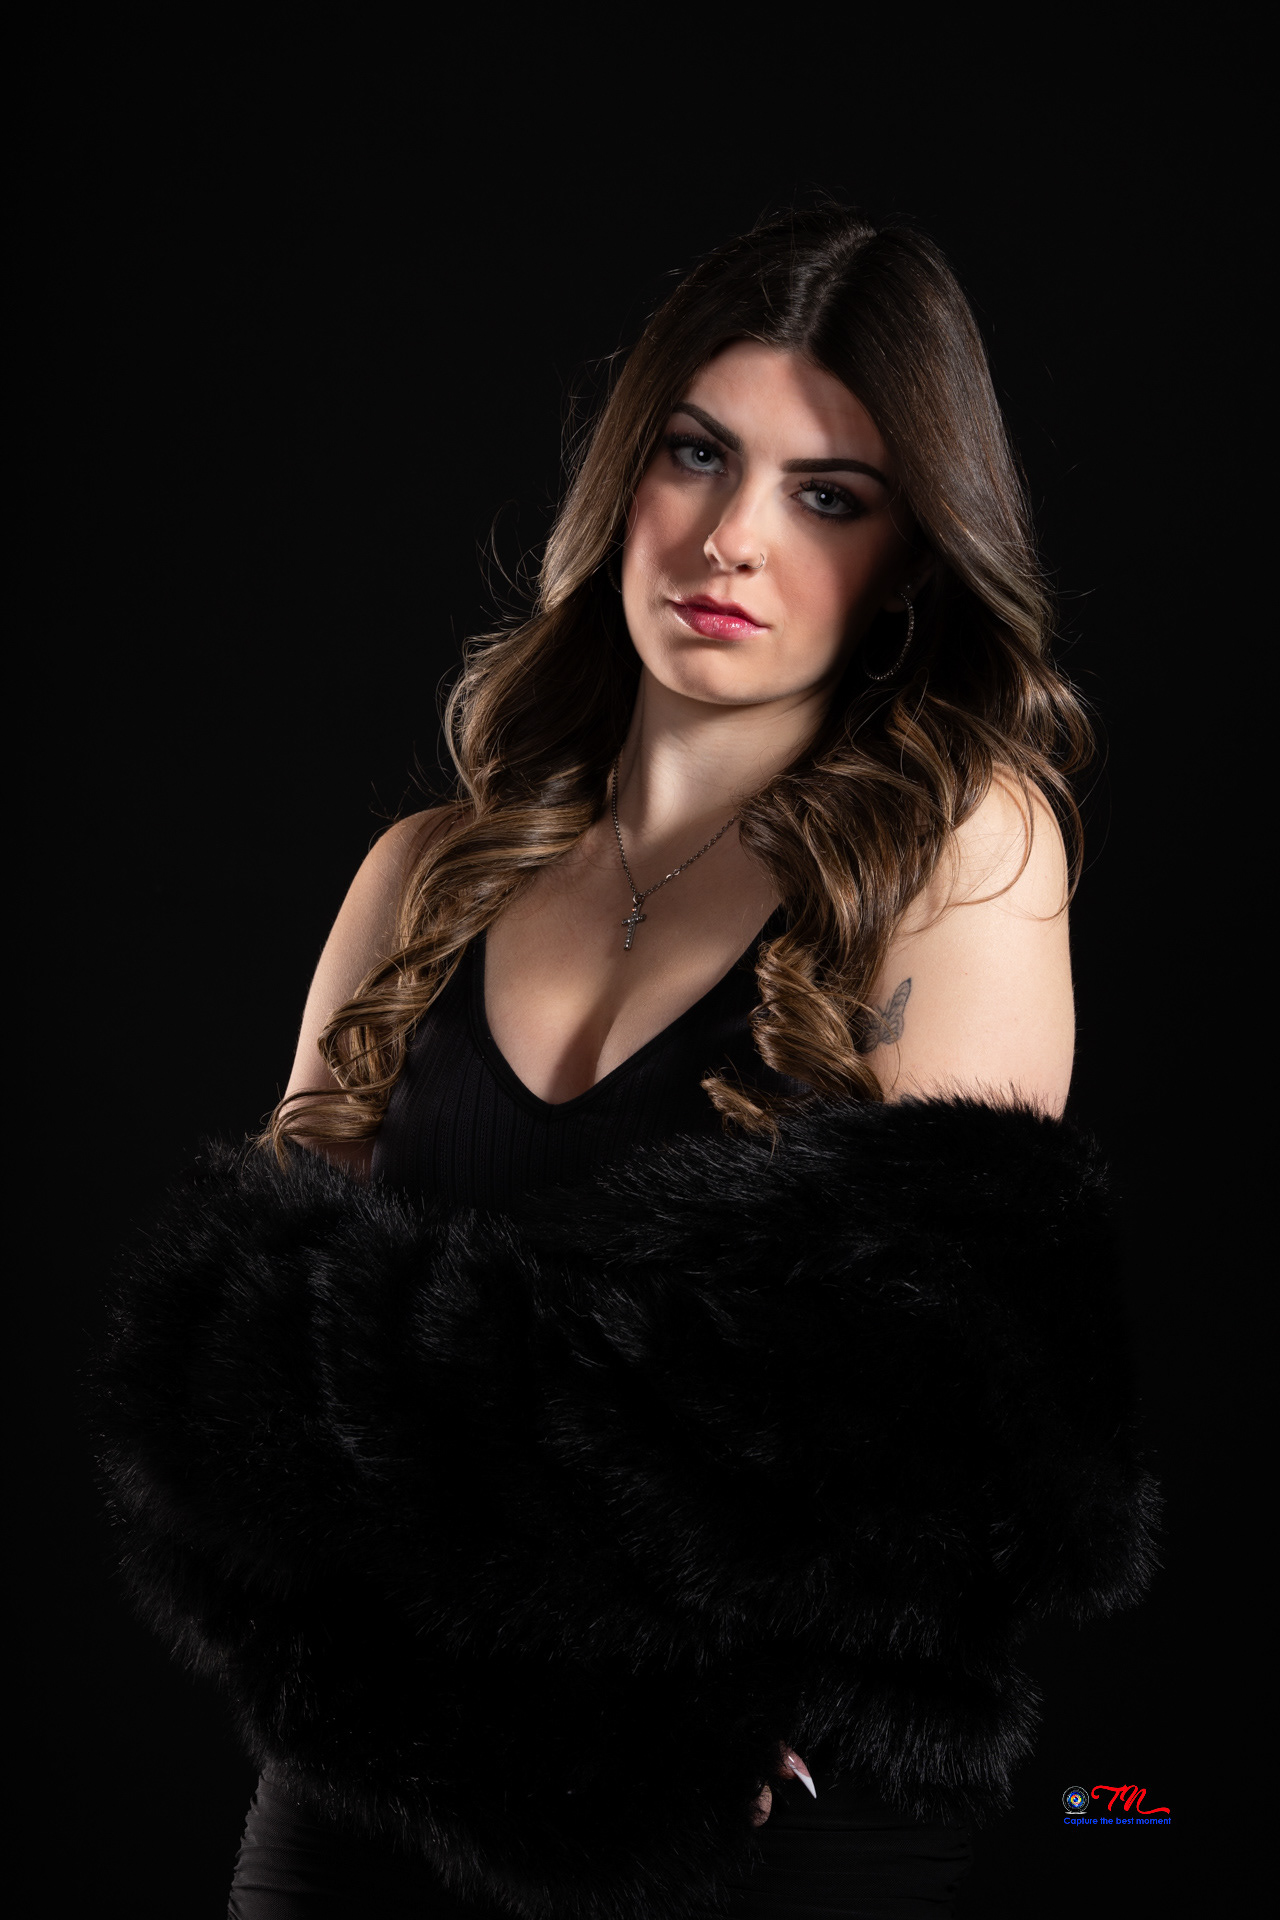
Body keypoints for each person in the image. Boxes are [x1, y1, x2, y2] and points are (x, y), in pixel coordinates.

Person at [99, 208, 1156, 1919]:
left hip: (737, 1803)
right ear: (625, 474)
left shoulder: (960, 845)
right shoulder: (424, 875)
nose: (731, 538)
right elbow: (231, 1383)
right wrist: (604, 1469)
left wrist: (446, 1441)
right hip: (384, 1782)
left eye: (829, 496)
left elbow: (940, 1394)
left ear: (910, 559)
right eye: (696, 453)